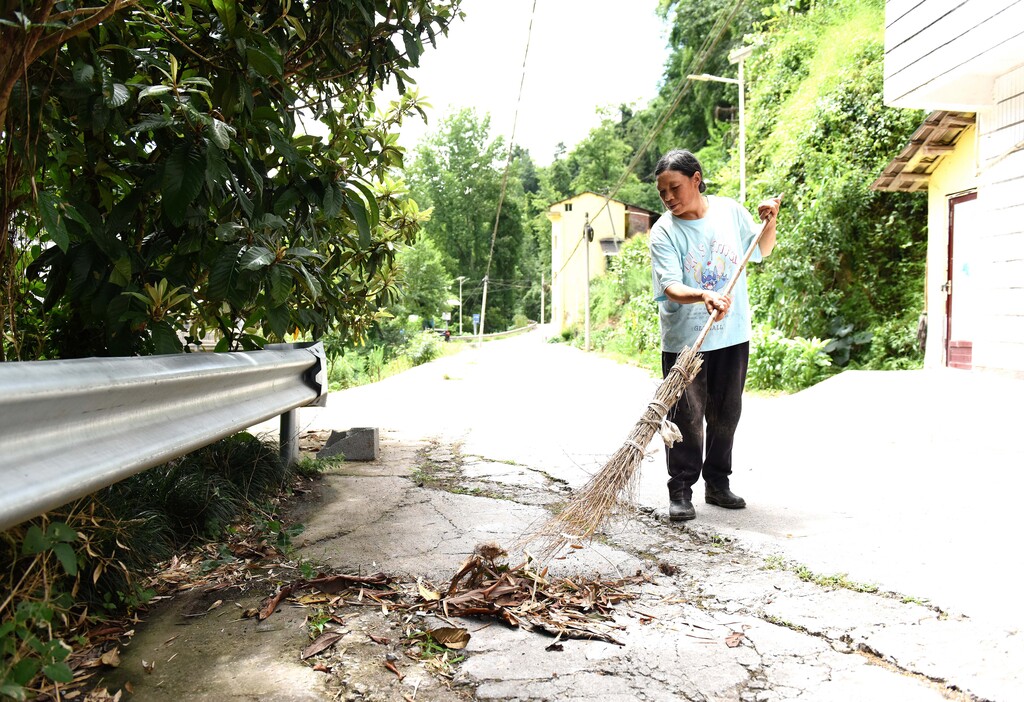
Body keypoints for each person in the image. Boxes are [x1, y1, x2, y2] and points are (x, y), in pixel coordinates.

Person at [648, 149, 781, 522]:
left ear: (696, 178)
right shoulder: (663, 233)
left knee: (727, 413)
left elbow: (762, 248)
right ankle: (681, 490)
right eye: (662, 193)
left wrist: (769, 220)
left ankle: (718, 484)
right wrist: (703, 294)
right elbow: (672, 286)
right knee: (685, 417)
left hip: (733, 334)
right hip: (686, 342)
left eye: (674, 187)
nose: (669, 197)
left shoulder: (729, 211)